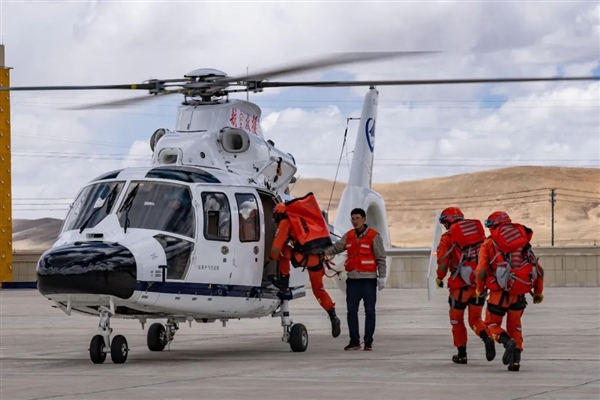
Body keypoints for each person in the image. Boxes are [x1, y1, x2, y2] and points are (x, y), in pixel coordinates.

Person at [475, 211, 545, 372]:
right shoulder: (523, 243)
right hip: (519, 294)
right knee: (515, 327)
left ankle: (506, 342)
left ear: (493, 226)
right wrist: (538, 292)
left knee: (491, 324)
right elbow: (538, 269)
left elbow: (481, 270)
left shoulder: (489, 244)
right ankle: (515, 362)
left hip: (498, 295)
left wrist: (479, 289)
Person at [269, 202, 342, 338]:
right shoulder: (302, 219)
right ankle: (332, 315)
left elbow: (275, 249)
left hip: (304, 257)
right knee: (318, 289)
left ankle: (284, 285)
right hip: (317, 259)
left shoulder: (285, 222)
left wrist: (269, 258)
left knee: (283, 251)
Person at [435, 207, 496, 364]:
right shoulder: (478, 234)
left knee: (457, 320)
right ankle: (486, 337)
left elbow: (443, 263)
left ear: (448, 221)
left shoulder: (447, 238)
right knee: (475, 319)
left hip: (459, 287)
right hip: (478, 285)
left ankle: (461, 354)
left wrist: (439, 278)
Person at [322, 208, 386, 351]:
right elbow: (336, 248)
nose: (355, 221)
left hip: (369, 280)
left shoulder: (374, 236)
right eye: (353, 218)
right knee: (351, 311)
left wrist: (382, 276)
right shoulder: (349, 236)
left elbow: (381, 258)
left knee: (369, 311)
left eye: (358, 218)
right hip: (353, 280)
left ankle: (368, 341)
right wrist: (321, 254)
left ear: (364, 219)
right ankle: (354, 341)